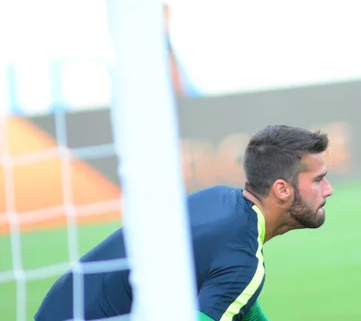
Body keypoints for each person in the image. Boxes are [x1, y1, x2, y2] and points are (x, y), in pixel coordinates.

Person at [35, 125, 334, 321]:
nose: (328, 189)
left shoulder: (219, 199)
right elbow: (235, 285)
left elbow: (238, 299)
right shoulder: (244, 262)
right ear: (282, 189)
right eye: (318, 180)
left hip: (56, 308)